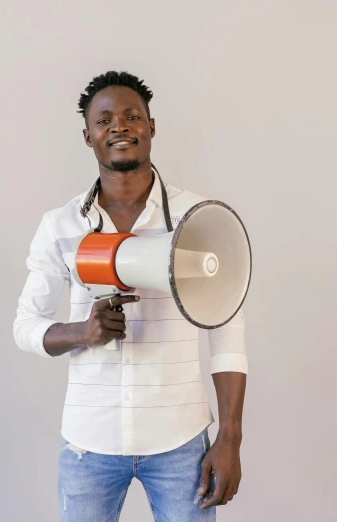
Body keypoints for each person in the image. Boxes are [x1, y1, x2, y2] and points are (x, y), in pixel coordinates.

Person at [13, 71, 247, 521]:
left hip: (181, 442)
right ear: (88, 136)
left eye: (131, 116)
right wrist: (83, 331)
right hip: (90, 444)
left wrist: (230, 437)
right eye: (105, 120)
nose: (119, 127)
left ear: (151, 127)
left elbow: (227, 329)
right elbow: (25, 326)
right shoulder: (60, 226)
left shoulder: (197, 217)